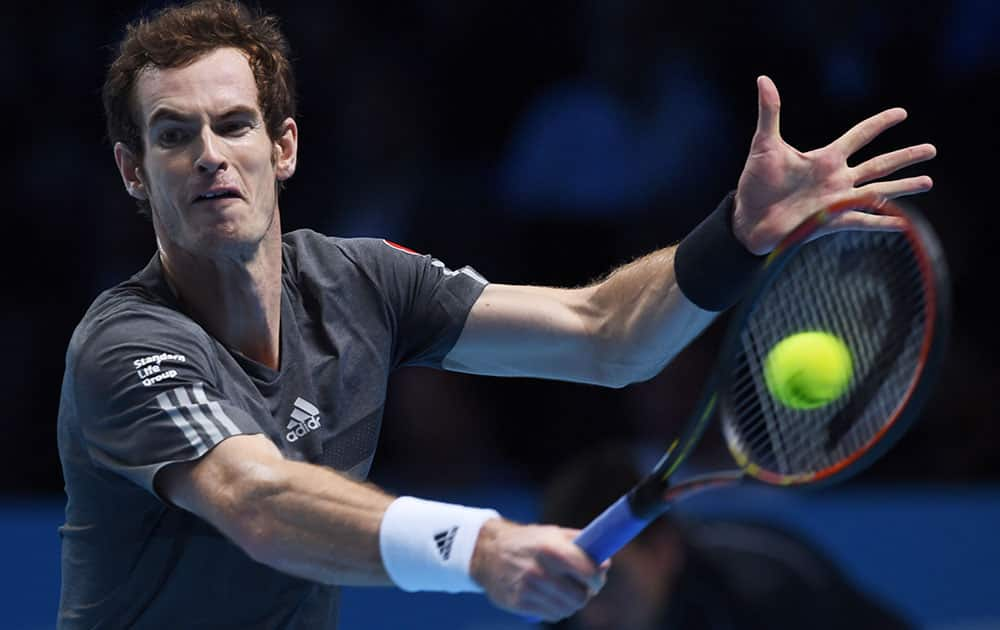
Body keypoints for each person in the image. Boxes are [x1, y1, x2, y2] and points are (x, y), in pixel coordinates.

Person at [55, 1, 936, 628]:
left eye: (235, 124)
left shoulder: (359, 283)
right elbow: (256, 500)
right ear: (134, 171)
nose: (209, 154)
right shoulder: (127, 344)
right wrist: (477, 546)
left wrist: (734, 238)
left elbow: (606, 335)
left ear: (281, 147)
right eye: (173, 134)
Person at [541, 443, 914, 630]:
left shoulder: (767, 585)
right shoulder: (559, 611)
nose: (592, 613)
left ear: (665, 550)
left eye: (610, 579)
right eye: (574, 581)